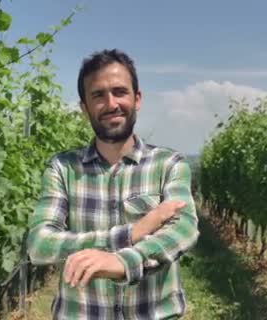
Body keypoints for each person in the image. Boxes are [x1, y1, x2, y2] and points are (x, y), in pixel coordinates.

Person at [27, 49, 199, 320]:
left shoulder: (169, 165)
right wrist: (129, 235)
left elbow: (184, 229)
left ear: (137, 98)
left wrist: (123, 261)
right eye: (98, 95)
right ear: (84, 107)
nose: (111, 103)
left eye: (120, 92)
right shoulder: (62, 168)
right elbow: (39, 244)